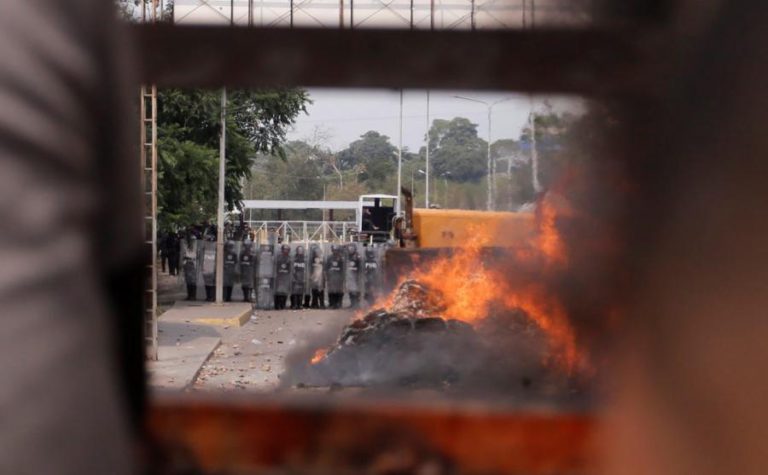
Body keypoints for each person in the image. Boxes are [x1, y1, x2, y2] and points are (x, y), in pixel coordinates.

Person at [325, 244, 345, 309]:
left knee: (339, 291)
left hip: (339, 277)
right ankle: (331, 303)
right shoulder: (329, 258)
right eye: (334, 250)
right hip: (331, 277)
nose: (335, 251)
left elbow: (343, 269)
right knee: (331, 291)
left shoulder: (341, 258)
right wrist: (327, 276)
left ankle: (339, 303)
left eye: (336, 250)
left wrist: (342, 277)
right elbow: (326, 268)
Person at [274, 244, 292, 310]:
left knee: (284, 291)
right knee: (278, 291)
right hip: (279, 276)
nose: (285, 251)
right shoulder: (278, 257)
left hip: (286, 276)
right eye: (284, 249)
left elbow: (291, 268)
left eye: (287, 250)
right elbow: (275, 266)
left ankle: (282, 305)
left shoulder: (289, 258)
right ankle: (277, 305)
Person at [345, 243, 362, 308]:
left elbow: (360, 267)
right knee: (350, 290)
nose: (350, 249)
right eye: (349, 248)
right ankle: (352, 303)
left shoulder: (357, 256)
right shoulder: (348, 256)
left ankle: (357, 304)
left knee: (356, 290)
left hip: (356, 276)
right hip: (349, 275)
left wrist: (359, 275)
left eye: (352, 248)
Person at [309, 244, 325, 309]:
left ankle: (322, 304)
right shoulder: (311, 259)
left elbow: (325, 268)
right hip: (314, 275)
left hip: (321, 276)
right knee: (314, 290)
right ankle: (314, 303)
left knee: (321, 290)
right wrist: (311, 275)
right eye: (316, 251)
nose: (317, 252)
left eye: (318, 251)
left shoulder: (322, 259)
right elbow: (310, 268)